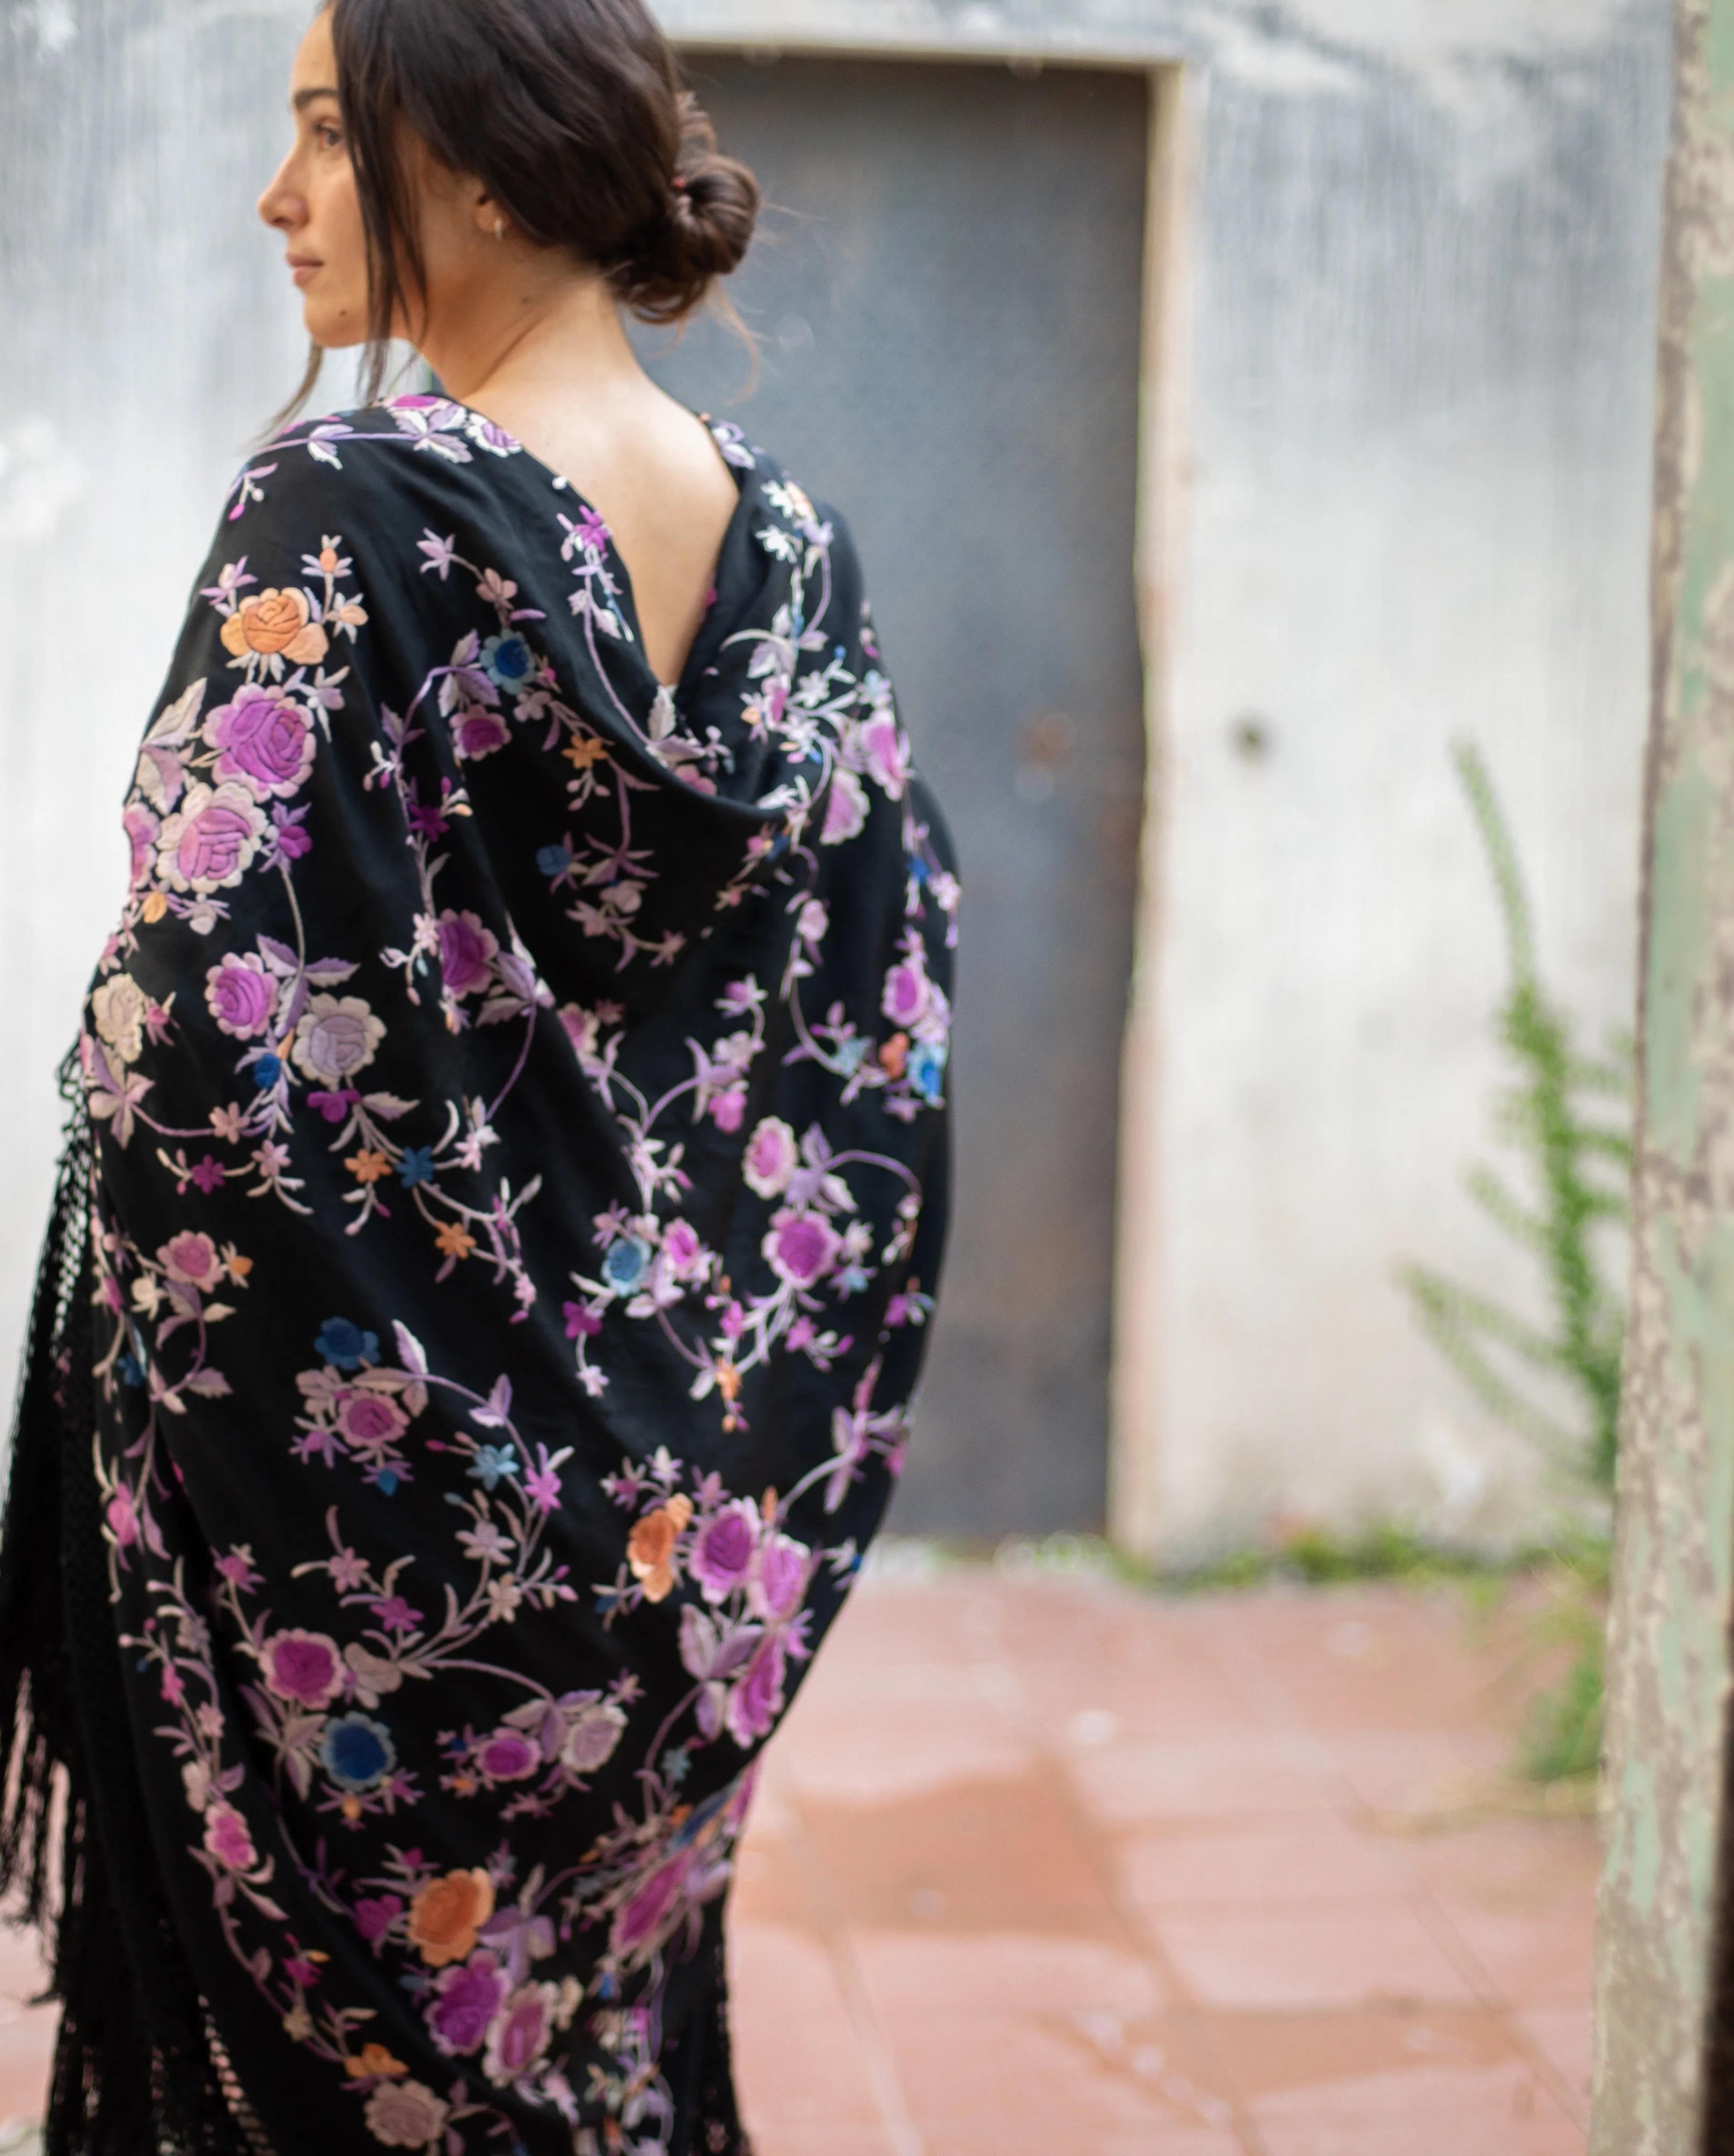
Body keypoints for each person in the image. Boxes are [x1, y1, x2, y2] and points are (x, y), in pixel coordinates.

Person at [0, 3, 957, 2151]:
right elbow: (878, 1044)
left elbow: (200, 1054)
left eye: (329, 139)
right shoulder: (796, 549)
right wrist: (729, 1457)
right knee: (585, 2067)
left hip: (371, 1583)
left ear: (495, 163)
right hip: (690, 1562)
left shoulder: (346, 505)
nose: (280, 197)